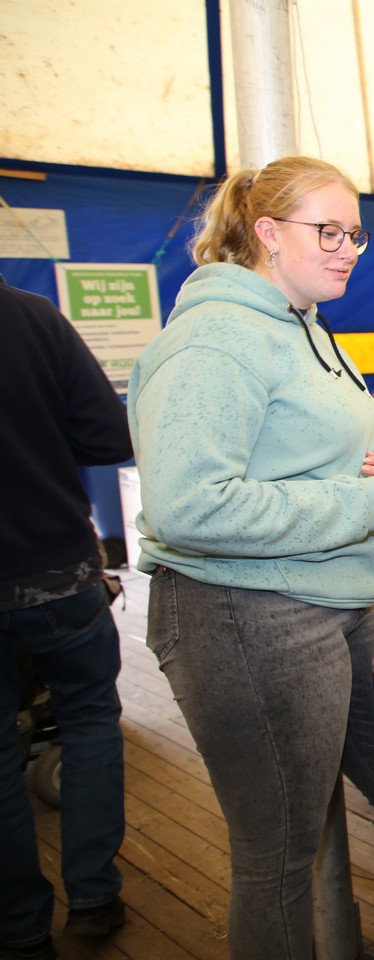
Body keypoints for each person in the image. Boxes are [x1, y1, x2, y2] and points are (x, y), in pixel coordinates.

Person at [127, 156, 374, 960]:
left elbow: (329, 455)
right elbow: (188, 505)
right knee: (278, 854)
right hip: (242, 613)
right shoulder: (213, 340)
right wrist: (360, 504)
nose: (348, 250)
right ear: (268, 233)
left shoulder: (303, 324)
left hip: (339, 598)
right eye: (328, 232)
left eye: (356, 235)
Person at [1, 279, 133, 960]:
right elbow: (108, 436)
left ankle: (20, 929)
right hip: (55, 567)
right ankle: (93, 901)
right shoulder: (31, 318)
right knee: (87, 722)